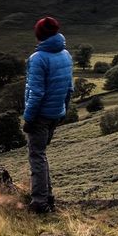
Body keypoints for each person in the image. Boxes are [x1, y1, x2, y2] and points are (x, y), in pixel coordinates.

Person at [22, 16, 74, 213]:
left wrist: (28, 118)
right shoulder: (66, 55)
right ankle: (48, 197)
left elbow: (36, 93)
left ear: (39, 34)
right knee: (42, 155)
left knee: (36, 156)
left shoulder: (38, 59)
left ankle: (39, 203)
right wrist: (63, 112)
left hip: (40, 116)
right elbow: (70, 89)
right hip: (56, 114)